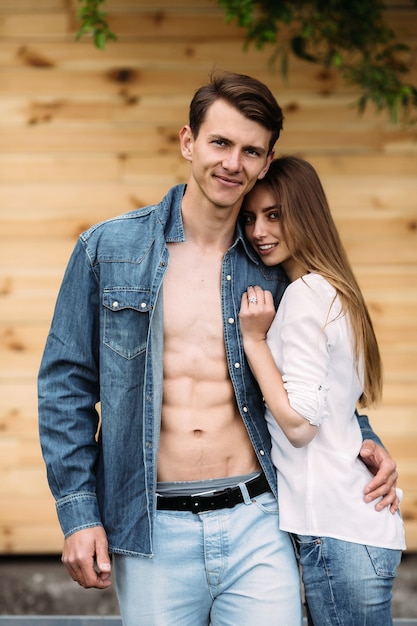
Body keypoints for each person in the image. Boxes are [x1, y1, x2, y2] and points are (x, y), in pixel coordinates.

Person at [38, 73, 399, 626]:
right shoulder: (108, 250)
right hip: (154, 528)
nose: (233, 163)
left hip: (260, 518)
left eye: (251, 150)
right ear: (189, 142)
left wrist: (364, 438)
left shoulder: (274, 263)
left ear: (266, 160)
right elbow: (65, 389)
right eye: (220, 143)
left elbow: (317, 371)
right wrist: (78, 514)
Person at [239, 155, 406, 626]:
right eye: (250, 218)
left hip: (336, 531)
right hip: (356, 526)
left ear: (306, 214)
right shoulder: (337, 291)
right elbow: (341, 412)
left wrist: (253, 340)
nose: (258, 231)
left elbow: (301, 426)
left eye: (274, 215)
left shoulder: (307, 294)